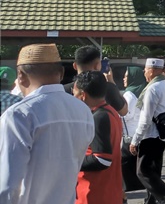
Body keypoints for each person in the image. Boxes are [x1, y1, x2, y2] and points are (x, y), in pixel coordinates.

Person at [0, 43, 94, 204]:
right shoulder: (83, 111)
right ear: (62, 73)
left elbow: (7, 185)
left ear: (20, 76)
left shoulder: (19, 114)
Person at [129, 58, 165, 204]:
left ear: (152, 71)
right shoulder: (164, 85)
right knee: (154, 171)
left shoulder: (152, 89)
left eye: (145, 70)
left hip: (151, 135)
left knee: (143, 172)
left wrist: (135, 140)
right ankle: (153, 200)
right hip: (162, 134)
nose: (144, 73)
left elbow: (146, 119)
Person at [74, 71, 123, 204]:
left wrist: (71, 161)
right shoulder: (111, 111)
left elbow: (102, 160)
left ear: (83, 95)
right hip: (109, 190)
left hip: (94, 193)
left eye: (75, 95)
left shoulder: (98, 118)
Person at [65, 46, 128, 116]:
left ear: (74, 66)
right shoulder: (107, 89)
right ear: (97, 66)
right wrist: (112, 83)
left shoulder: (64, 90)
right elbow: (124, 111)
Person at [122, 66, 148, 194]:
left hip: (130, 134)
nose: (124, 78)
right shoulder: (142, 91)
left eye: (126, 76)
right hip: (138, 133)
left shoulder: (129, 94)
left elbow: (125, 115)